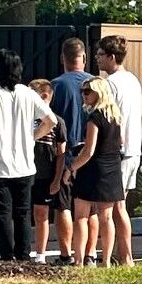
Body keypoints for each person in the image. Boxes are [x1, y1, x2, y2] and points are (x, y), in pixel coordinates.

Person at [0, 49, 52, 262]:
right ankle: (23, 255)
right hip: (24, 164)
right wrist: (32, 137)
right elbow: (51, 121)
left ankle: (6, 255)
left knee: (2, 214)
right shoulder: (28, 93)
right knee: (22, 213)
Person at [69, 76, 131, 267]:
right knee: (106, 217)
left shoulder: (94, 118)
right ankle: (106, 261)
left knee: (81, 215)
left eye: (87, 91)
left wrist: (71, 168)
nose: (83, 95)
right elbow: (120, 142)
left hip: (93, 170)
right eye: (82, 91)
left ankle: (79, 260)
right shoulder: (115, 117)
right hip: (112, 169)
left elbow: (88, 151)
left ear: (98, 93)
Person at [48, 38, 91, 261]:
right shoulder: (95, 84)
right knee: (89, 208)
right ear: (84, 58)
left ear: (62, 59)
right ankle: (89, 254)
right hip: (90, 154)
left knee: (62, 205)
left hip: (64, 154)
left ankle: (65, 255)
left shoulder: (56, 86)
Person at [28, 78, 71, 263]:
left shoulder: (58, 122)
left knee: (54, 211)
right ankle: (40, 254)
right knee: (38, 212)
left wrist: (57, 178)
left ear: (44, 96)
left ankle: (61, 253)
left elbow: (61, 154)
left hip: (48, 174)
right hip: (30, 172)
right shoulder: (27, 119)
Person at [97, 36, 142, 197]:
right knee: (119, 204)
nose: (97, 58)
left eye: (101, 54)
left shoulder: (109, 83)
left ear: (111, 57)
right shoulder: (133, 80)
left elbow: (110, 117)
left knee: (108, 207)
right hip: (134, 149)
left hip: (117, 150)